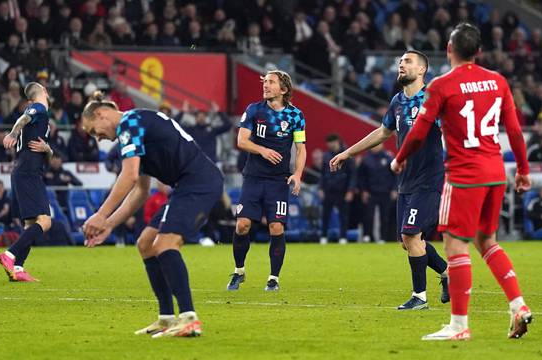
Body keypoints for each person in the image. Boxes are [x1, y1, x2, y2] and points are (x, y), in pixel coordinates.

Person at [390, 23, 532, 340]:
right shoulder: (497, 81)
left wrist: (400, 157)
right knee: (487, 241)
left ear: (449, 51)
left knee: (455, 244)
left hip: (463, 175)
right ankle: (518, 305)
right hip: (495, 173)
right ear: (479, 52)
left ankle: (459, 325)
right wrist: (523, 170)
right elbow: (515, 131)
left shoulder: (442, 85)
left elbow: (419, 130)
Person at [81, 91, 224, 338]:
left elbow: (129, 176)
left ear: (100, 114)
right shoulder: (136, 126)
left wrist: (100, 214)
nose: (99, 139)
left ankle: (189, 319)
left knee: (165, 243)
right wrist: (110, 224)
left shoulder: (130, 122)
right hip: (187, 185)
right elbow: (140, 191)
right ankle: (167, 318)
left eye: (94, 130)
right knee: (146, 243)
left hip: (198, 182)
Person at [330, 50, 449, 311]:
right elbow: (383, 132)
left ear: (422, 71)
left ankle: (419, 297)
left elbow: (452, 132)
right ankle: (446, 271)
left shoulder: (433, 99)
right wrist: (348, 152)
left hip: (429, 179)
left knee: (410, 234)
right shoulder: (397, 101)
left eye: (407, 61)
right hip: (405, 181)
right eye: (400, 62)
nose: (401, 65)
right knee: (406, 242)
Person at [227, 70, 307, 292]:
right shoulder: (254, 110)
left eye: (271, 82)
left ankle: (273, 278)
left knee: (276, 226)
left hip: (277, 180)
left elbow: (301, 149)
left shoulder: (295, 116)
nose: (266, 85)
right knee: (242, 225)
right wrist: (262, 150)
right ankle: (239, 271)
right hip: (253, 177)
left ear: (283, 90)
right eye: (265, 82)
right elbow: (241, 140)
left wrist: (297, 174)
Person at [0, 82, 53, 283]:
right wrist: (12, 133)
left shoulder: (42, 118)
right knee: (45, 221)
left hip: (26, 171)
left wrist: (48, 150)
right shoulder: (37, 107)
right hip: (28, 172)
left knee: (30, 223)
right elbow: (22, 118)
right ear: (43, 92)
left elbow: (46, 153)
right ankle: (10, 255)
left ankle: (18, 268)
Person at [319, 133, 355, 245]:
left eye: (332, 142)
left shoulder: (347, 154)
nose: (330, 145)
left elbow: (353, 174)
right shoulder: (326, 156)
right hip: (329, 189)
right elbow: (323, 173)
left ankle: (343, 236)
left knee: (343, 215)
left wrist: (350, 190)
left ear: (337, 141)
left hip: (342, 189)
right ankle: (323, 236)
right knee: (325, 214)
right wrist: (321, 188)